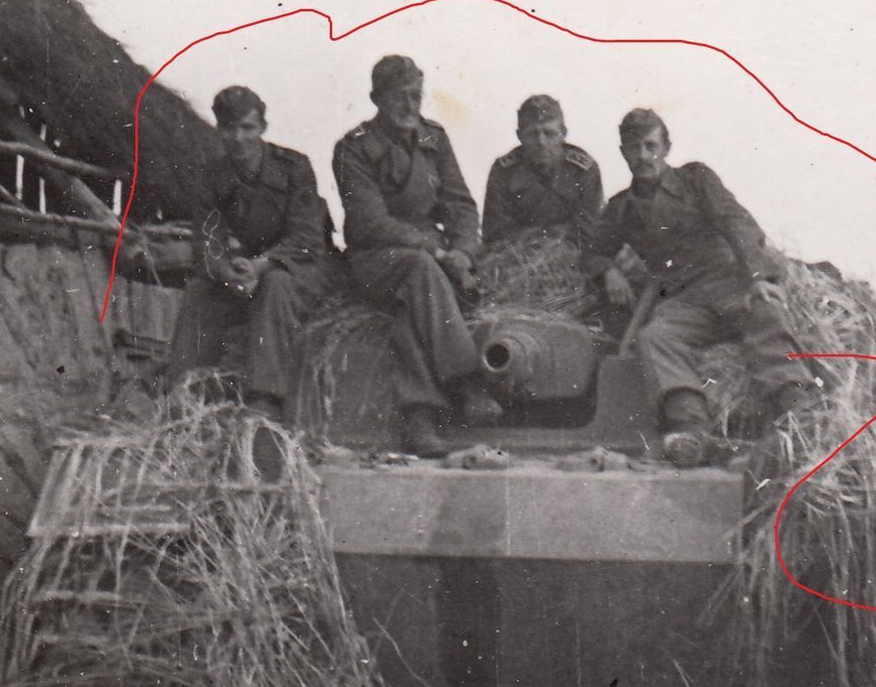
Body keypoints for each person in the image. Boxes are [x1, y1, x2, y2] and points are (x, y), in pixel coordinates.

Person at [584, 108, 812, 467]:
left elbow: (736, 222)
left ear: (666, 147)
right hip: (684, 298)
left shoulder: (695, 180)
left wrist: (757, 278)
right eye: (634, 148)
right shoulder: (621, 208)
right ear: (623, 153)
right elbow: (592, 251)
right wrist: (609, 270)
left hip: (728, 283)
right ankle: (688, 428)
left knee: (764, 313)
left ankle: (796, 410)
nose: (643, 156)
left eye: (650, 146)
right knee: (656, 337)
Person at [332, 55, 500, 458]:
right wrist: (435, 250)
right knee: (419, 270)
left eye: (416, 95)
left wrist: (463, 251)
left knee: (412, 305)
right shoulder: (354, 148)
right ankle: (466, 381)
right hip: (375, 258)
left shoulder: (434, 139)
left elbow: (460, 203)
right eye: (399, 97)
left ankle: (419, 417)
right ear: (376, 98)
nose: (410, 105)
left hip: (428, 260)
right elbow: (370, 222)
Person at [168, 85, 340, 422]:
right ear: (219, 129)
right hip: (253, 266)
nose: (239, 138)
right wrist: (227, 272)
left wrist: (259, 266)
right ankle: (183, 393)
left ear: (262, 127)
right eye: (229, 128)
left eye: (247, 127)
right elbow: (207, 246)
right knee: (201, 290)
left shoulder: (294, 167)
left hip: (308, 264)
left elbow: (306, 238)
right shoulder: (212, 178)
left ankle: (265, 399)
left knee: (276, 284)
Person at [482, 94, 603, 247]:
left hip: (571, 249)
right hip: (517, 250)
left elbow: (588, 229)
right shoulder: (504, 170)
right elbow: (495, 231)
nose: (541, 142)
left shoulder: (582, 169)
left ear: (563, 133)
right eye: (532, 134)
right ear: (519, 136)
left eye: (549, 133)